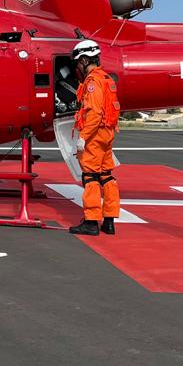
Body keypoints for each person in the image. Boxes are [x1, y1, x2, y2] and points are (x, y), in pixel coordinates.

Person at [68, 39, 122, 236]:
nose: (78, 67)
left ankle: (91, 222)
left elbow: (94, 113)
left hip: (95, 135)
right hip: (107, 134)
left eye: (78, 63)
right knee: (106, 175)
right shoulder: (106, 78)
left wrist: (83, 137)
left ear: (84, 60)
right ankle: (109, 221)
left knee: (90, 176)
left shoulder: (92, 81)